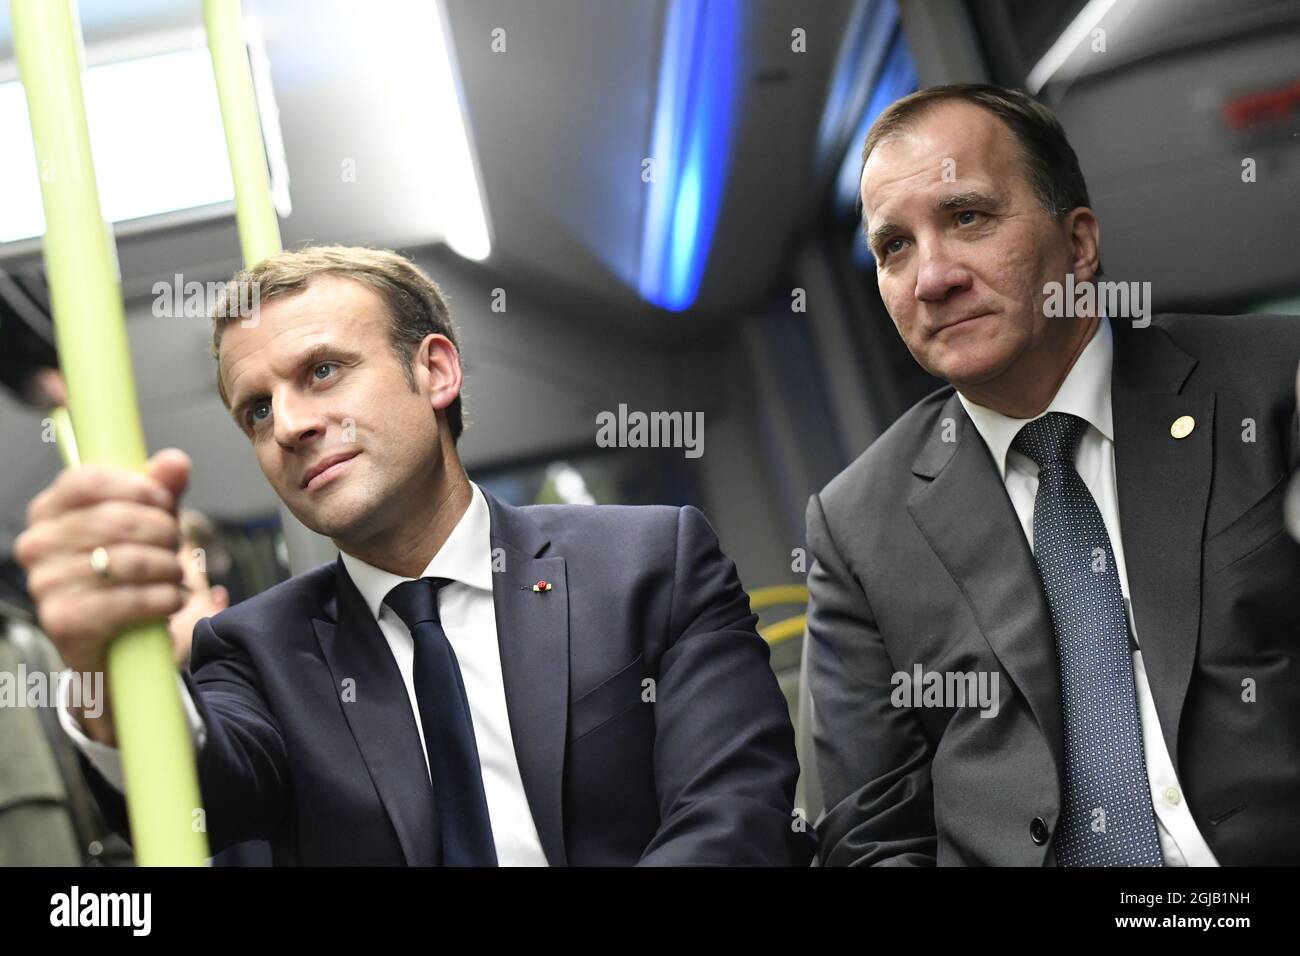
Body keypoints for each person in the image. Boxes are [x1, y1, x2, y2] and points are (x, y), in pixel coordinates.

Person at [16, 246, 812, 866]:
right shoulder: (259, 652)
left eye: (322, 371)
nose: (289, 424)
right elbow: (202, 792)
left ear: (434, 370)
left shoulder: (646, 564)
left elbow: (733, 815)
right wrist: (96, 668)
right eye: (257, 410)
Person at [806, 84, 1300, 866]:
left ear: (1078, 244)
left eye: (967, 217)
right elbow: (873, 833)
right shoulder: (858, 523)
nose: (932, 277)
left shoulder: (1273, 388)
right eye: (894, 246)